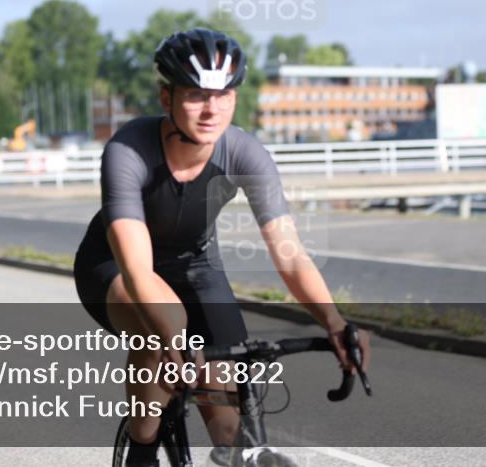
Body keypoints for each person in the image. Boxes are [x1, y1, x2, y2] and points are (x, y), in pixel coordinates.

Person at [73, 28, 371, 466]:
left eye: (224, 94)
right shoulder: (128, 149)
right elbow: (138, 270)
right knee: (160, 331)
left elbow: (289, 253)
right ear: (166, 98)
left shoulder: (245, 153)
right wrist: (173, 332)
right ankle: (141, 449)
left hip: (196, 266)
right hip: (115, 266)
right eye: (195, 94)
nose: (212, 109)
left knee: (232, 426)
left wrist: (334, 323)